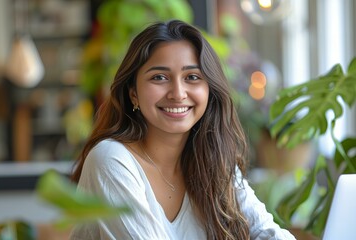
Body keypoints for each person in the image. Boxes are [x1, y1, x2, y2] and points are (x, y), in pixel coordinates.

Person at [69, 19, 296, 240]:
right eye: (159, 77)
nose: (178, 93)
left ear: (209, 90)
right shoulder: (111, 159)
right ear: (133, 93)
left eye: (192, 77)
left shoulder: (214, 161)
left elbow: (266, 231)